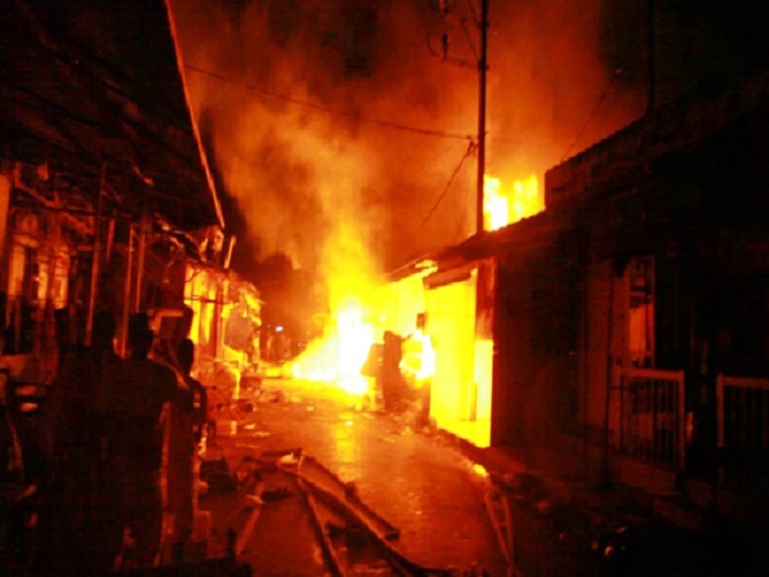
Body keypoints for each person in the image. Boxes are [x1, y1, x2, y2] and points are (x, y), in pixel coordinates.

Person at [103, 312, 192, 568]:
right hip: (145, 471)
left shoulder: (114, 373)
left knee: (113, 543)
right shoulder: (160, 376)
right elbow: (188, 399)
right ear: (151, 339)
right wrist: (172, 360)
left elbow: (102, 416)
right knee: (147, 545)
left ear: (129, 340)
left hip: (115, 469)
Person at [166, 338, 207, 562]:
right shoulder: (194, 390)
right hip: (183, 454)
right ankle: (178, 553)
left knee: (171, 504)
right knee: (184, 505)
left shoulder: (167, 386)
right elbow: (200, 424)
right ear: (192, 360)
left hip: (166, 455)